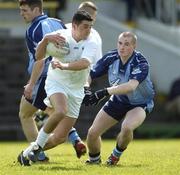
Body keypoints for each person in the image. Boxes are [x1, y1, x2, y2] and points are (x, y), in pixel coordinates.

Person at [18, 10, 96, 166]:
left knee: (60, 137)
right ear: (74, 25)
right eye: (85, 26)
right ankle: (37, 147)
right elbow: (39, 57)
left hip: (76, 89)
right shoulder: (60, 36)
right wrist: (45, 40)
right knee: (60, 110)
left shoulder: (91, 41)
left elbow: (85, 64)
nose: (89, 30)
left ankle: (27, 153)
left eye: (90, 26)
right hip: (56, 82)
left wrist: (64, 65)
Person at [84, 31, 155, 165]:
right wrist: (86, 88)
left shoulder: (141, 62)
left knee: (127, 127)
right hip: (118, 100)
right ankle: (94, 161)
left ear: (134, 46)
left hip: (140, 103)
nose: (122, 47)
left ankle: (115, 156)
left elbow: (131, 86)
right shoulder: (111, 57)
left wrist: (104, 92)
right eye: (120, 43)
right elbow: (90, 74)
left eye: (127, 44)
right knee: (92, 133)